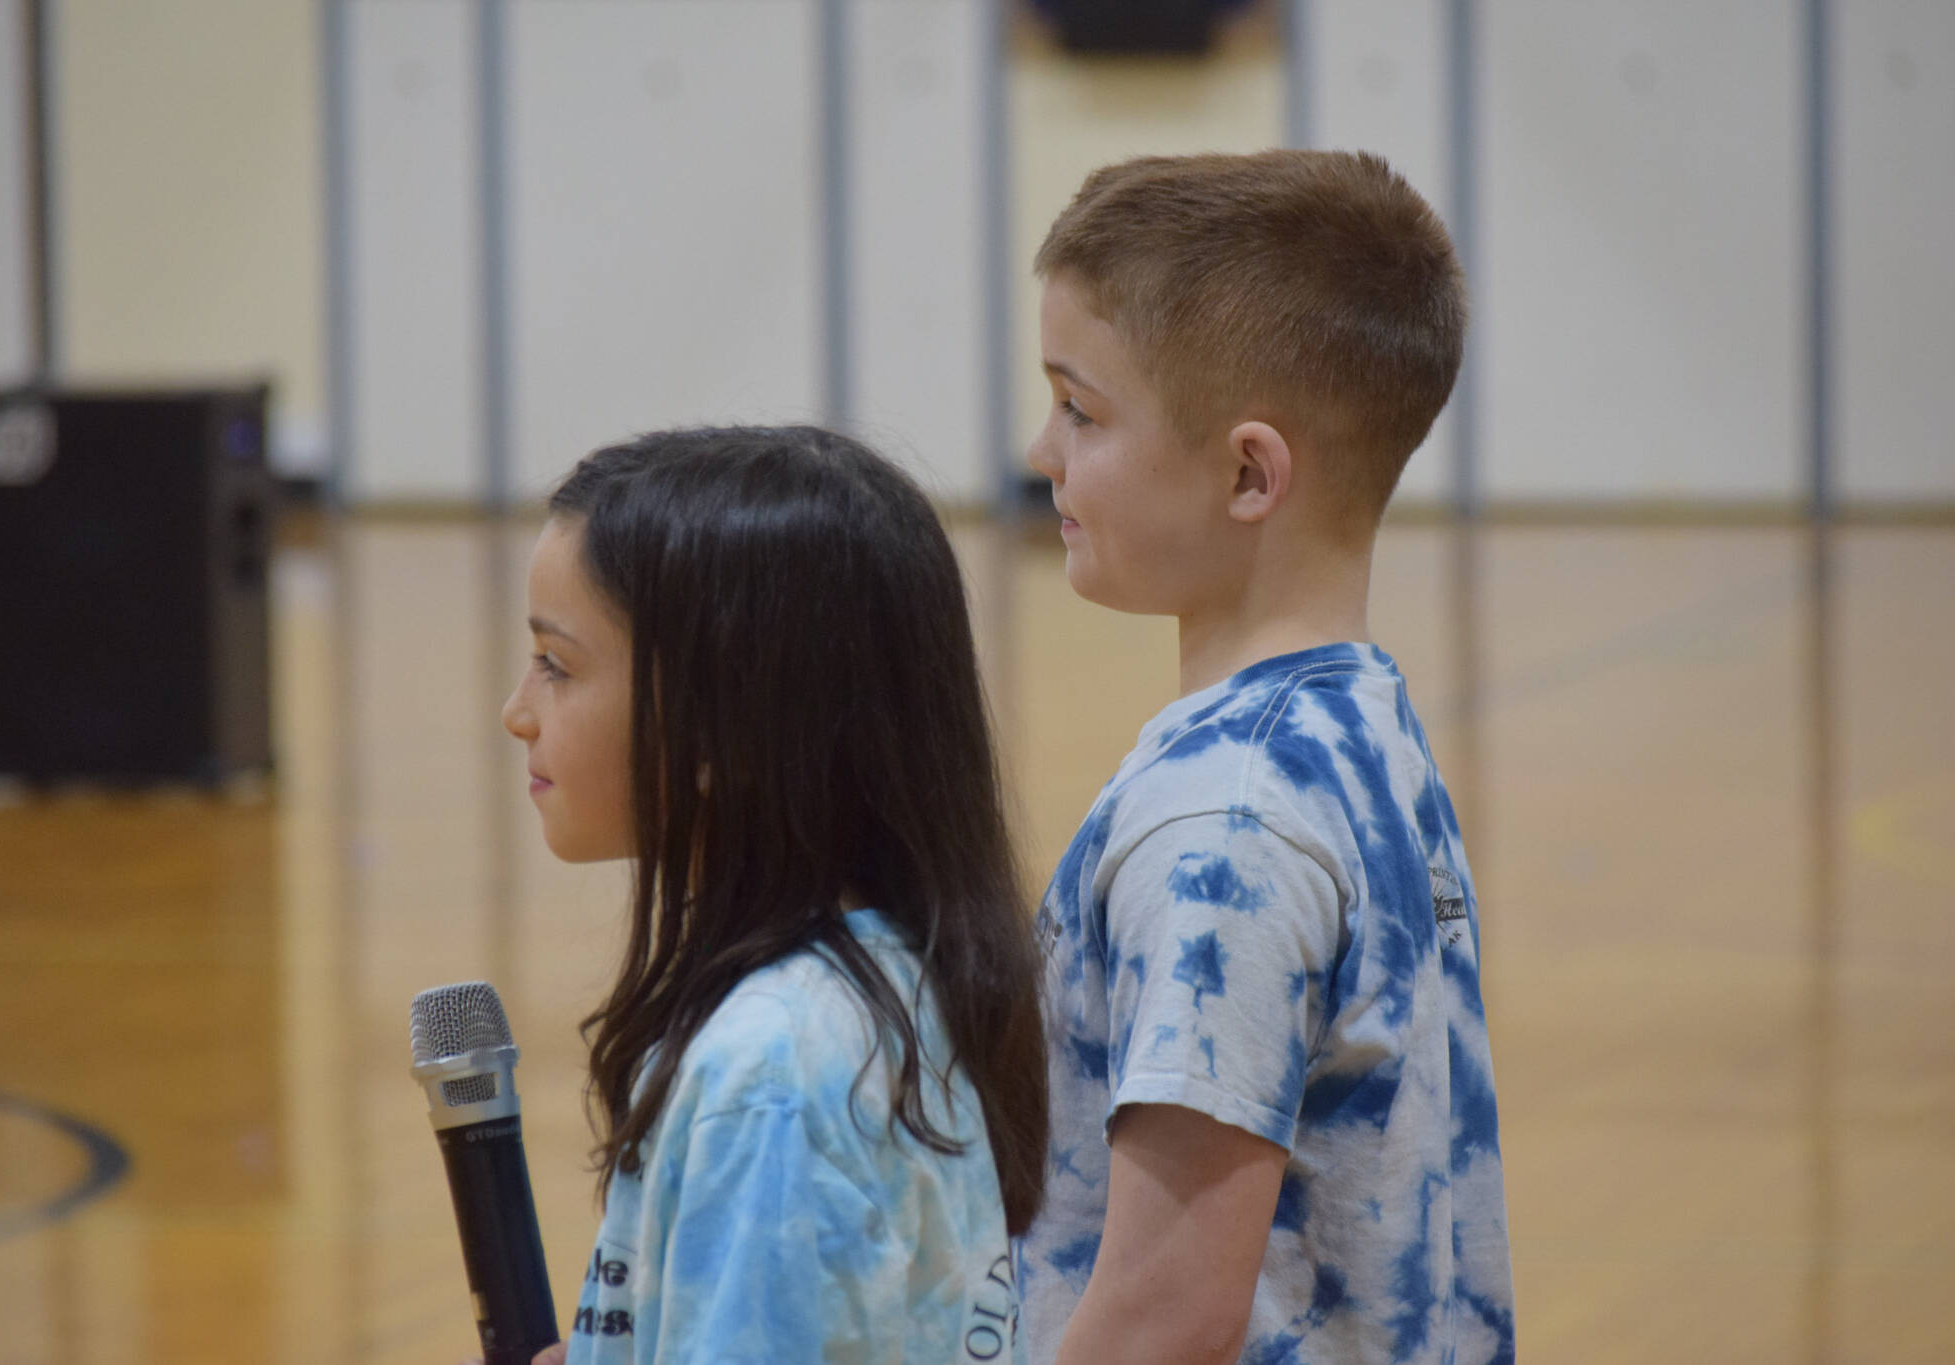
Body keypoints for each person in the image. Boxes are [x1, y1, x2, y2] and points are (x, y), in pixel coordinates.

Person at [1010, 150, 1514, 1363]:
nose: (1041, 449)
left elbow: (1161, 1315)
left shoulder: (1223, 825)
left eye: (1081, 409)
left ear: (1247, 472)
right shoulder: (1361, 732)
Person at [495, 426, 1046, 1364]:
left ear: (718, 732)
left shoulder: (770, 1072)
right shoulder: (896, 978)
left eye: (558, 664)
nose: (518, 711)